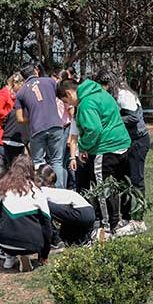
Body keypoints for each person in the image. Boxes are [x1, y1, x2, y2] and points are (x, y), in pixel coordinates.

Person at [57, 78, 131, 233]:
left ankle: (107, 226)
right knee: (114, 186)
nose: (70, 105)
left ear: (69, 93)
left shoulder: (86, 103)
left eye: (67, 101)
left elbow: (94, 130)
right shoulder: (100, 93)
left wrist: (83, 147)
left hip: (105, 148)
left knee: (102, 189)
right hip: (122, 145)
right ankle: (117, 221)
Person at [95, 70, 150, 236]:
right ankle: (125, 218)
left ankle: (139, 219)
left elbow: (133, 118)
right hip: (128, 142)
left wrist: (113, 120)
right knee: (124, 180)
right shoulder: (117, 94)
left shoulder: (123, 94)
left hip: (138, 142)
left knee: (136, 180)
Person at [0, 154, 52, 272]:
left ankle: (9, 257)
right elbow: (47, 227)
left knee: (5, 221)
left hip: (3, 242)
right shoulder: (36, 192)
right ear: (31, 170)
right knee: (38, 223)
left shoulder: (3, 189)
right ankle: (23, 254)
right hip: (31, 244)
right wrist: (44, 255)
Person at [15, 63, 65, 187]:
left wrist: (32, 118)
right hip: (56, 125)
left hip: (37, 129)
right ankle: (60, 191)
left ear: (23, 77)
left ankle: (41, 189)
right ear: (36, 71)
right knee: (57, 161)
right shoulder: (50, 81)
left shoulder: (21, 92)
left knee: (38, 161)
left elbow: (20, 118)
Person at [37, 165, 96, 245]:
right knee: (67, 239)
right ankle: (88, 236)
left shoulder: (42, 191)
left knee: (41, 207)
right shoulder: (58, 191)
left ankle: (56, 240)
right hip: (89, 212)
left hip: (80, 212)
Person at [0, 73, 24, 160]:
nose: (22, 87)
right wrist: (11, 115)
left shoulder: (14, 95)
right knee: (2, 157)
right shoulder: (3, 94)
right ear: (15, 83)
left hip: (6, 130)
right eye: (21, 85)